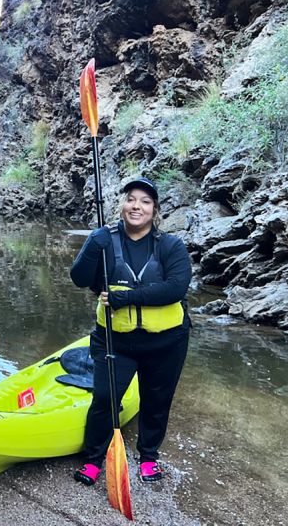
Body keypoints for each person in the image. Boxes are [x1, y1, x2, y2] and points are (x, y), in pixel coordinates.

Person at [69, 177, 192, 484]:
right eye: (131, 199)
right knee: (104, 398)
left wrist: (127, 297)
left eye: (145, 201)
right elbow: (80, 279)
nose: (137, 206)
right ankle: (95, 457)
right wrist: (92, 245)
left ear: (155, 210)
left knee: (157, 399)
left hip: (166, 342)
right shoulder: (104, 239)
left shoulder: (170, 246)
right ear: (122, 204)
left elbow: (175, 288)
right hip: (116, 339)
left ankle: (149, 455)